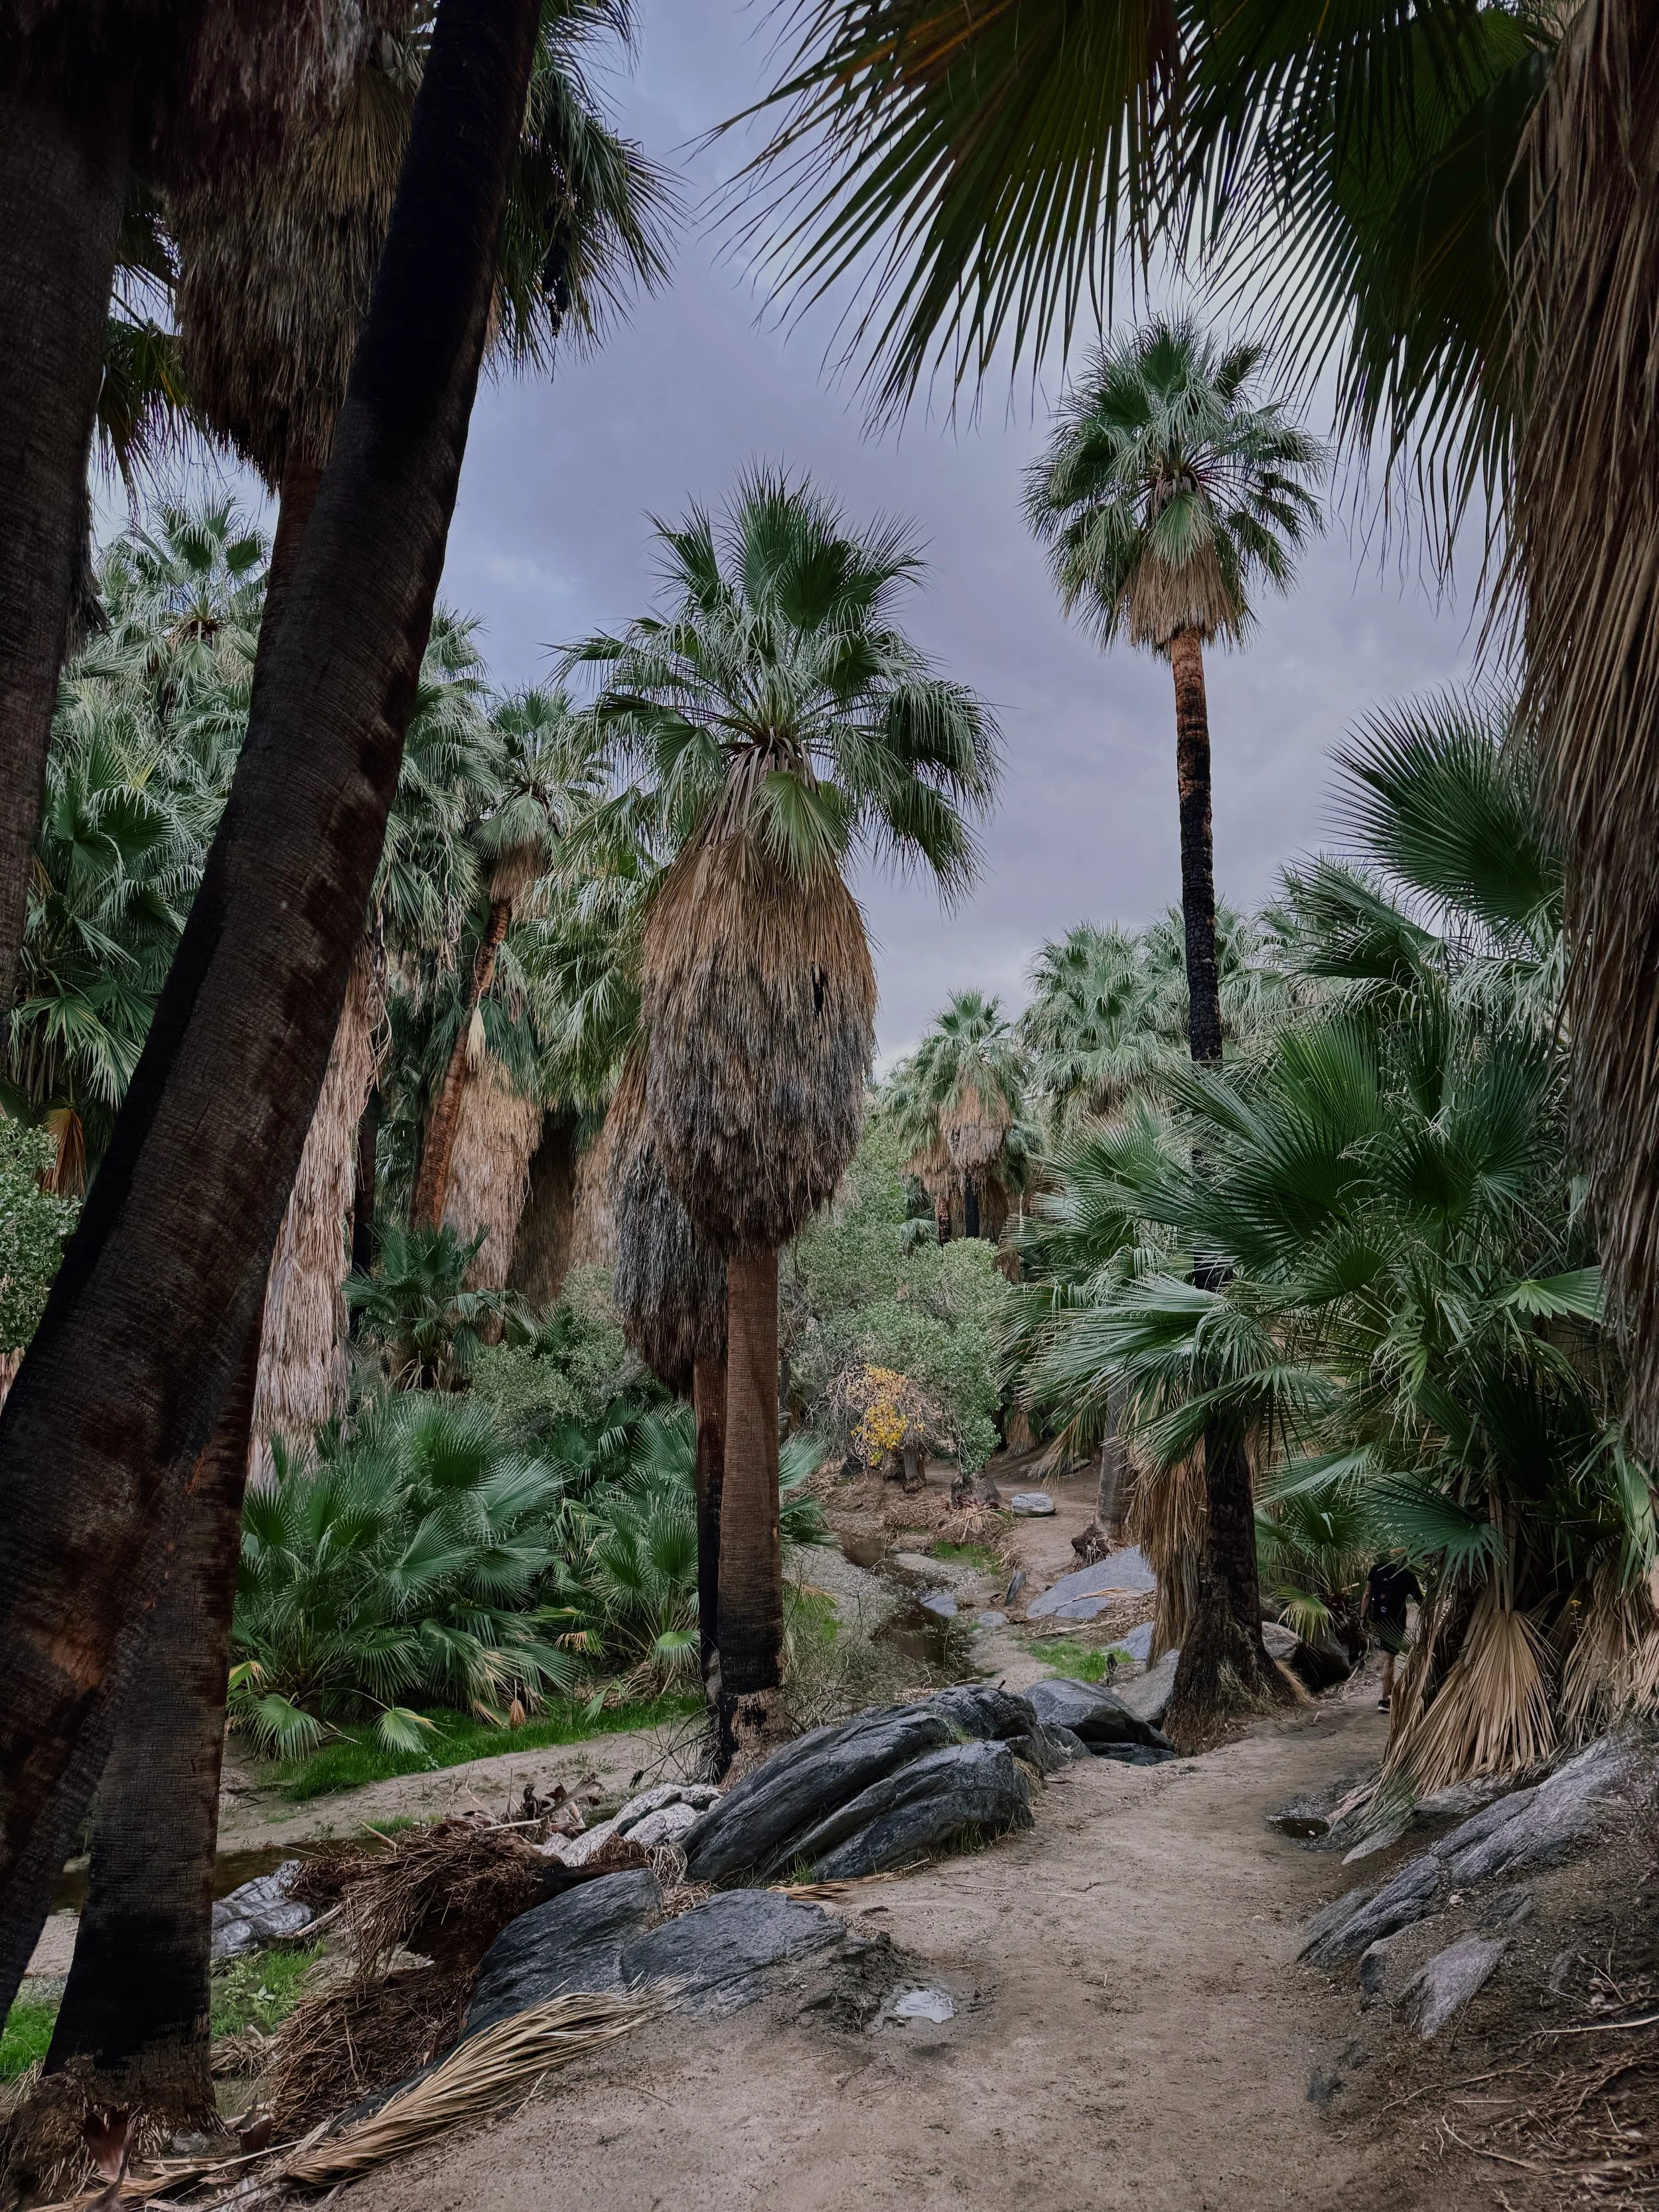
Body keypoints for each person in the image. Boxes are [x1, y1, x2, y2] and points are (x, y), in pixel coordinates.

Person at [1361, 1556, 1421, 1712]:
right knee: (1390, 1658)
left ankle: (1390, 1688)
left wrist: (1362, 1617)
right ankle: (1384, 1700)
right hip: (1396, 1622)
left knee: (1386, 1655)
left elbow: (1367, 1594)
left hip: (1377, 1621)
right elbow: (1421, 1600)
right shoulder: (1408, 1575)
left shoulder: (1376, 1569)